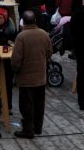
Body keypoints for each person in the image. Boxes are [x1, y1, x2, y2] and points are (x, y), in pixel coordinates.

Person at [11, 11, 52, 139]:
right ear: (35, 21)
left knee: (26, 105)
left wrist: (15, 70)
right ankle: (38, 127)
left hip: (26, 78)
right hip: (41, 76)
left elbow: (16, 60)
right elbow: (49, 53)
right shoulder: (44, 34)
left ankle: (28, 130)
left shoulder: (21, 36)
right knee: (39, 104)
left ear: (23, 21)